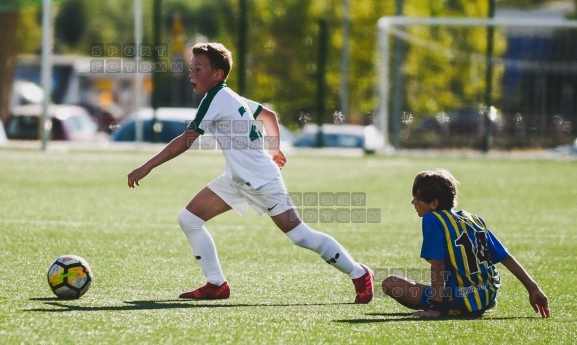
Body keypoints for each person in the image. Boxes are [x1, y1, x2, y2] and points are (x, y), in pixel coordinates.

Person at [127, 42, 373, 303]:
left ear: (217, 74)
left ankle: (359, 273)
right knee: (189, 219)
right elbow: (268, 115)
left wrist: (147, 166)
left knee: (300, 236)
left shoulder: (215, 99)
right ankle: (216, 284)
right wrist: (275, 149)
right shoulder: (228, 95)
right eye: (191, 68)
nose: (191, 74)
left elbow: (186, 140)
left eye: (198, 69)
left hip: (263, 182)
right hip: (236, 180)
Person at [382, 169, 550, 318]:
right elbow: (505, 257)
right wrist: (533, 289)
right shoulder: (473, 218)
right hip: (487, 294)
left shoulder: (432, 219)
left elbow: (438, 266)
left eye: (417, 199)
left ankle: (452, 306)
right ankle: (476, 302)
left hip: (458, 298)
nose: (413, 202)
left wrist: (436, 308)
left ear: (433, 204)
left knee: (390, 283)